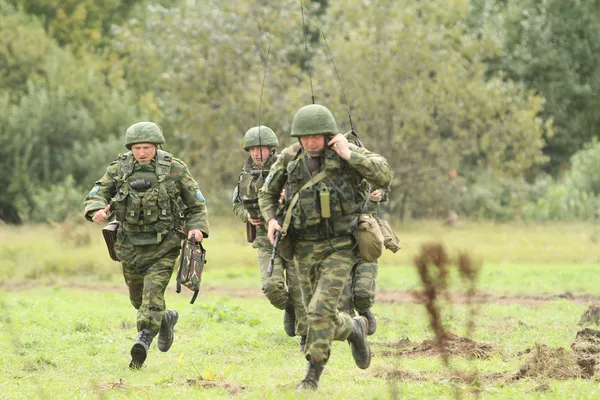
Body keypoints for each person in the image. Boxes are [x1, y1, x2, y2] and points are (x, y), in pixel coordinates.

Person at [258, 104, 393, 390]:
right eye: (304, 137)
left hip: (340, 245)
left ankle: (312, 375)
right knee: (314, 316)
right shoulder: (289, 159)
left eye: (316, 136)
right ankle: (354, 328)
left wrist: (350, 154)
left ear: (328, 134)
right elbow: (266, 193)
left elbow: (384, 175)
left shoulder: (347, 153)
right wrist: (271, 218)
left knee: (319, 310)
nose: (310, 142)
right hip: (303, 247)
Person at [83, 121, 209, 369]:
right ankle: (165, 321)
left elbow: (195, 204)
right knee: (138, 299)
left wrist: (197, 228)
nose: (141, 152)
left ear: (156, 146)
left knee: (152, 297)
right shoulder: (119, 169)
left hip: (164, 245)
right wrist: (96, 210)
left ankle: (142, 342)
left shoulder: (175, 169)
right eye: (137, 147)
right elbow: (98, 192)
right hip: (129, 246)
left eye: (147, 147)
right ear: (131, 148)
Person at [231, 126, 306, 341]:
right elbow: (236, 205)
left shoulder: (287, 169)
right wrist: (247, 215)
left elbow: (307, 197)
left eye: (261, 148)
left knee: (299, 288)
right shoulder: (244, 177)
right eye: (253, 149)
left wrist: (288, 196)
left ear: (271, 149)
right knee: (271, 286)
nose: (257, 153)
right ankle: (288, 308)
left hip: (292, 236)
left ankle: (305, 335)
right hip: (264, 239)